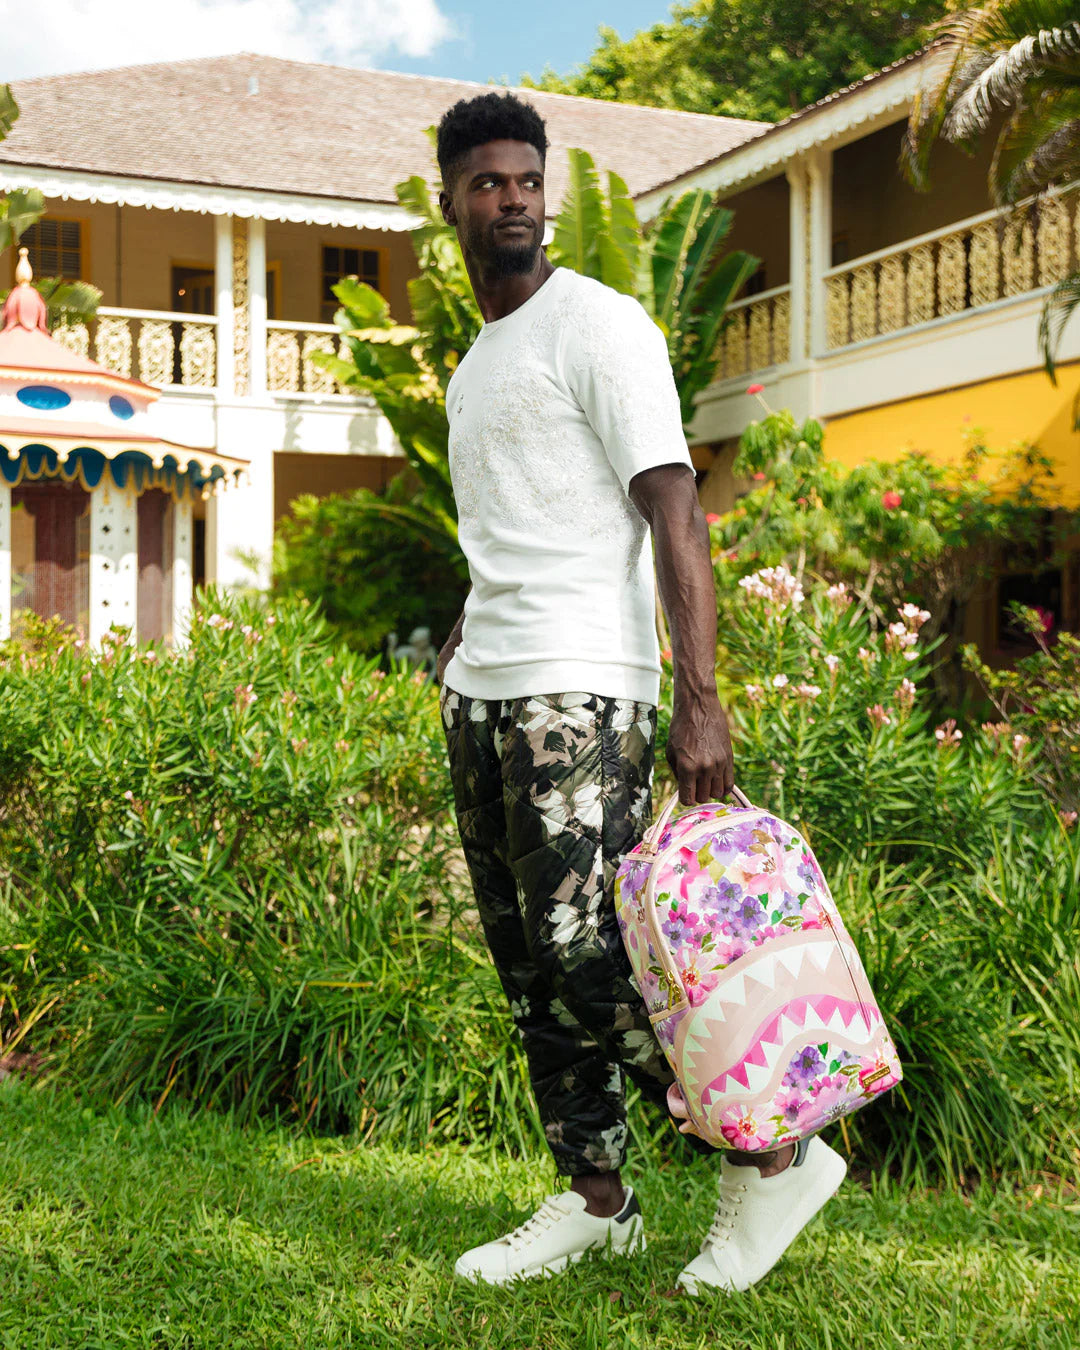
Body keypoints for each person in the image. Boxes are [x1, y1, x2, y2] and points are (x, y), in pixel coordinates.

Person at [434, 90, 847, 1292]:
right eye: (487, 183)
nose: (510, 199)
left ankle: (776, 1156)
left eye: (526, 180)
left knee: (589, 951)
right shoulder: (475, 361)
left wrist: (700, 694)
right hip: (485, 692)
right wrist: (461, 638)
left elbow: (674, 510)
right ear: (450, 200)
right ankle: (595, 1196)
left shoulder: (599, 325)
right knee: (526, 964)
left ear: (543, 189)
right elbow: (514, 518)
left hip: (584, 688)